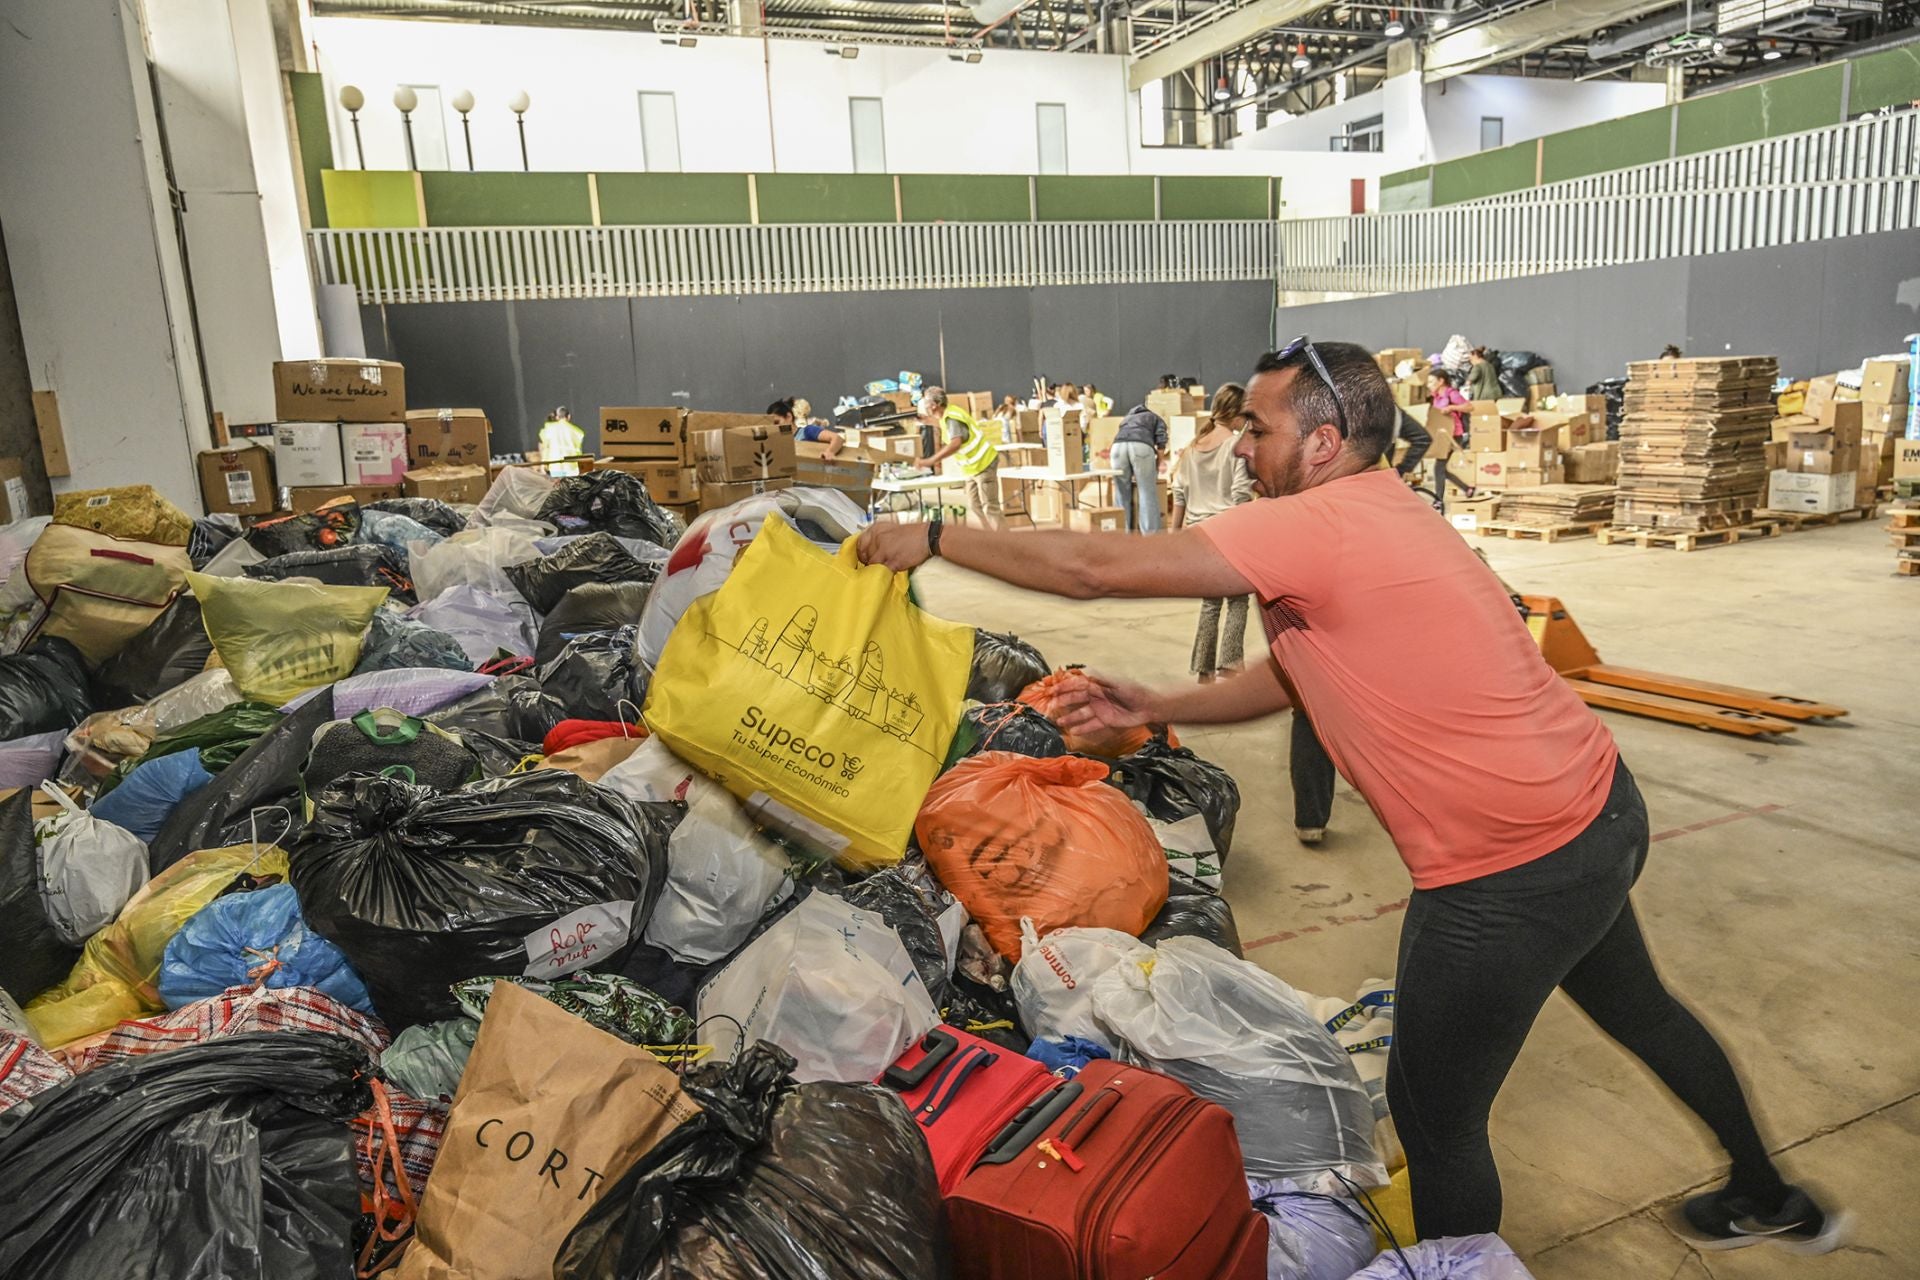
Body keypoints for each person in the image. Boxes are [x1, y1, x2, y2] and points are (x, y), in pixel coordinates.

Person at [856, 338, 1843, 1255]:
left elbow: (1087, 568)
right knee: (1648, 1014)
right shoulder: (1387, 505)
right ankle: (1770, 1195)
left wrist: (937, 533)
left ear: (1323, 442)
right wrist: (1161, 700)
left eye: (1258, 428)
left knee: (1435, 1121)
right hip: (1595, 815)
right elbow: (1301, 673)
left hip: (1505, 870)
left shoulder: (1312, 522)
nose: (1239, 445)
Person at [1171, 383, 1253, 681]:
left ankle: (1203, 669)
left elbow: (1179, 492)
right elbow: (1241, 493)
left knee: (1210, 603)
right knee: (1239, 600)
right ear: (1235, 413)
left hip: (1199, 535)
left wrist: (1175, 534)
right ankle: (1230, 665)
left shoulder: (1194, 446)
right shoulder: (1236, 444)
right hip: (1228, 531)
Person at [915, 385, 1003, 529]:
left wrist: (931, 460)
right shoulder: (947, 415)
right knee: (974, 505)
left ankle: (1005, 542)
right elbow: (945, 427)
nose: (924, 405)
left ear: (934, 405)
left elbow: (955, 443)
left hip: (984, 463)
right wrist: (928, 421)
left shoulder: (952, 418)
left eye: (926, 402)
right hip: (972, 468)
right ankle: (990, 539)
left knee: (990, 507)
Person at [1109, 401, 1168, 533]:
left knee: (1121, 494)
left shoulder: (1125, 419)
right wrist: (1159, 463)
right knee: (1146, 492)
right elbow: (1161, 441)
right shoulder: (1154, 417)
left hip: (1117, 448)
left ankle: (1121, 533)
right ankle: (1150, 535)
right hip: (1141, 446)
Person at [1424, 368, 1475, 512]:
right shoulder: (1436, 397)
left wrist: (1452, 407)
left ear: (1441, 381)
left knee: (1438, 467)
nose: (1429, 385)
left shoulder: (1452, 394)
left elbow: (1469, 407)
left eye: (1431, 381)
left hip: (1454, 435)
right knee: (1441, 469)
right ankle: (1468, 489)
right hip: (1442, 435)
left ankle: (1438, 500)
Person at [770, 397, 844, 461]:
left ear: (789, 417)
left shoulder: (807, 431)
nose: (775, 427)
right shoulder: (780, 444)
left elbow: (837, 438)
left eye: (777, 422)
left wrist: (829, 452)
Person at [539, 405, 585, 477]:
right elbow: (579, 452)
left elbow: (545, 448)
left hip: (555, 469)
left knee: (557, 487)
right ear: (569, 416)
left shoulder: (549, 429)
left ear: (557, 417)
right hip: (572, 470)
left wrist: (543, 465)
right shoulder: (577, 432)